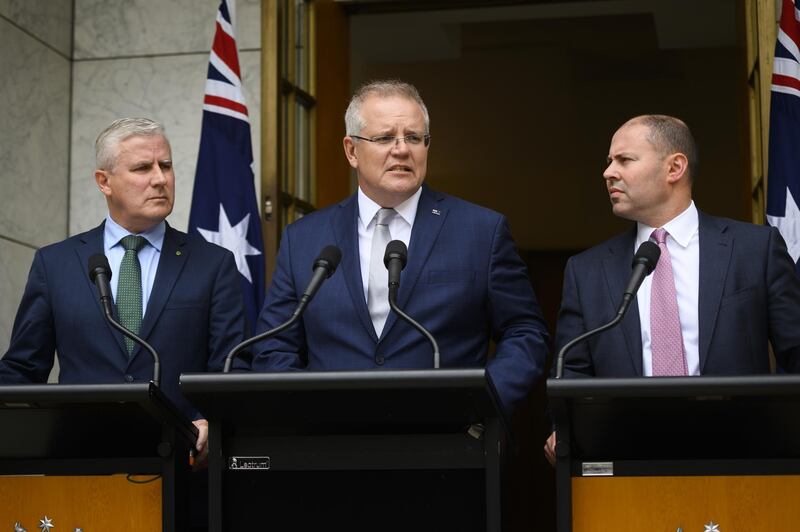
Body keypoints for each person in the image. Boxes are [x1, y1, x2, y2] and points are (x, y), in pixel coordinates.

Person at [250, 79, 549, 416]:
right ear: (351, 150)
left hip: (448, 441)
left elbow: (525, 332)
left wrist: (485, 400)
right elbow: (274, 344)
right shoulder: (304, 239)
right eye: (384, 138)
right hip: (332, 441)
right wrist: (305, 412)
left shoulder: (481, 231)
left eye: (414, 138)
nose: (402, 149)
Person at [544, 114, 800, 464]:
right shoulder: (586, 270)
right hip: (625, 465)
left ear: (675, 167)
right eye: (609, 162)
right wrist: (564, 428)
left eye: (625, 160)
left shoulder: (755, 250)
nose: (608, 173)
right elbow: (570, 372)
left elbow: (795, 349)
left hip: (743, 458)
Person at [0, 117, 247, 460]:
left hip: (181, 463)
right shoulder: (55, 263)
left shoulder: (213, 264)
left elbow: (233, 368)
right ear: (104, 181)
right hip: (79, 462)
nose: (160, 179)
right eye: (143, 168)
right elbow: (22, 370)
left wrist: (212, 422)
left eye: (166, 166)